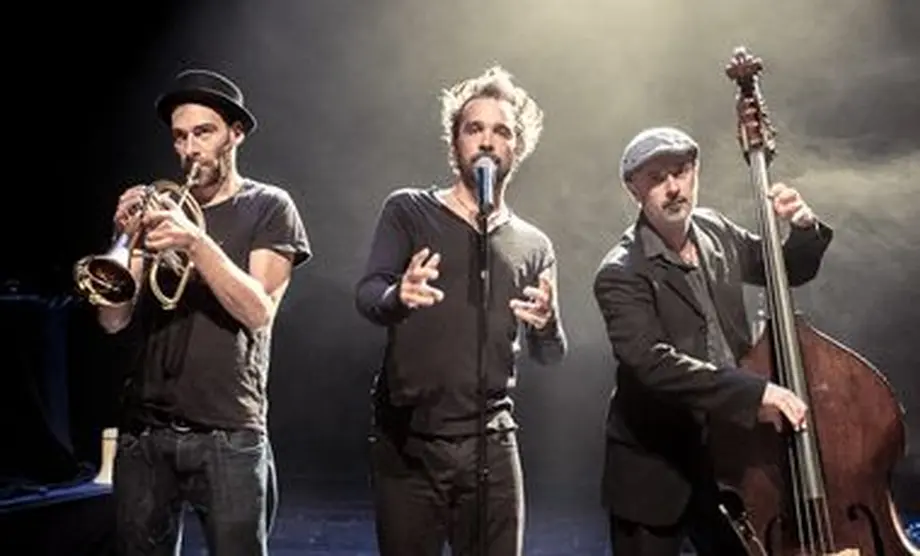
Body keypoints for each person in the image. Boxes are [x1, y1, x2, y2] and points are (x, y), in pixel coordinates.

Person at [354, 65, 567, 556]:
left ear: (517, 147)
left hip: (491, 441)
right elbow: (368, 294)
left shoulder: (534, 245)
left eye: (502, 131)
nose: (487, 141)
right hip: (409, 443)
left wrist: (548, 323)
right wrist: (398, 295)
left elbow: (550, 354)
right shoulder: (408, 210)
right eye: (474, 129)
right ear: (455, 143)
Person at [592, 125, 834, 555]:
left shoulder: (715, 230)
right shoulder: (620, 272)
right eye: (656, 178)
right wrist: (755, 392)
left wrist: (803, 227)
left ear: (695, 172)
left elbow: (786, 270)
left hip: (730, 461)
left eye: (680, 172)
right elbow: (652, 363)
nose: (673, 187)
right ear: (634, 189)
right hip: (656, 470)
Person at [98, 69, 311, 555]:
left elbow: (258, 312)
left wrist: (196, 242)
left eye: (204, 133)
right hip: (144, 432)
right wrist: (124, 239)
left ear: (235, 134)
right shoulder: (161, 210)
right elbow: (112, 320)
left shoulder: (269, 206)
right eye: (180, 137)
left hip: (228, 431)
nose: (190, 149)